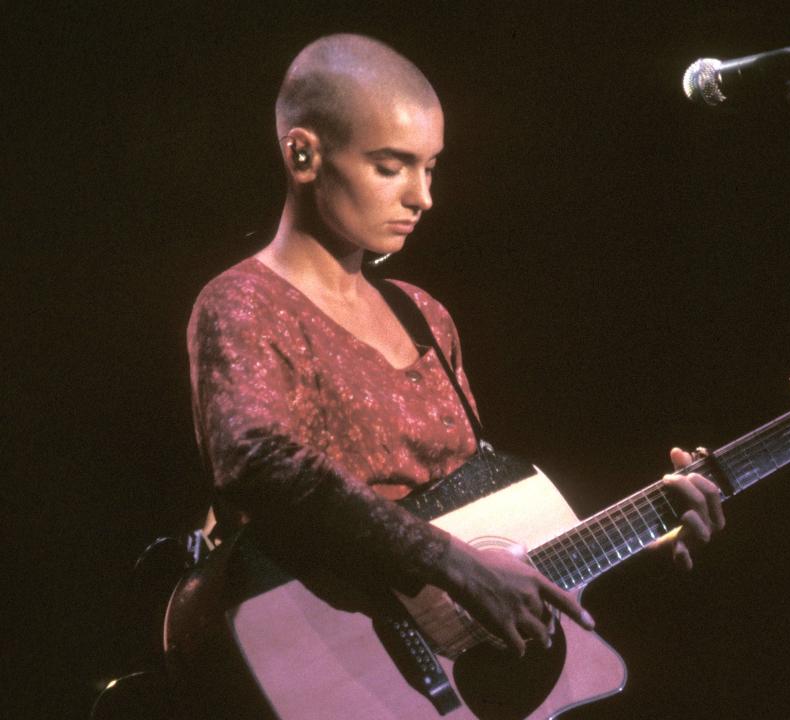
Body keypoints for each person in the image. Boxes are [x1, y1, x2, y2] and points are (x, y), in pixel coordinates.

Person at [187, 33, 725, 660]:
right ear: (304, 155)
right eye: (391, 167)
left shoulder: (425, 317)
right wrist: (455, 566)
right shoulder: (244, 301)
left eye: (430, 166)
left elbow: (476, 535)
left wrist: (643, 543)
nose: (422, 196)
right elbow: (258, 462)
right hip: (320, 657)